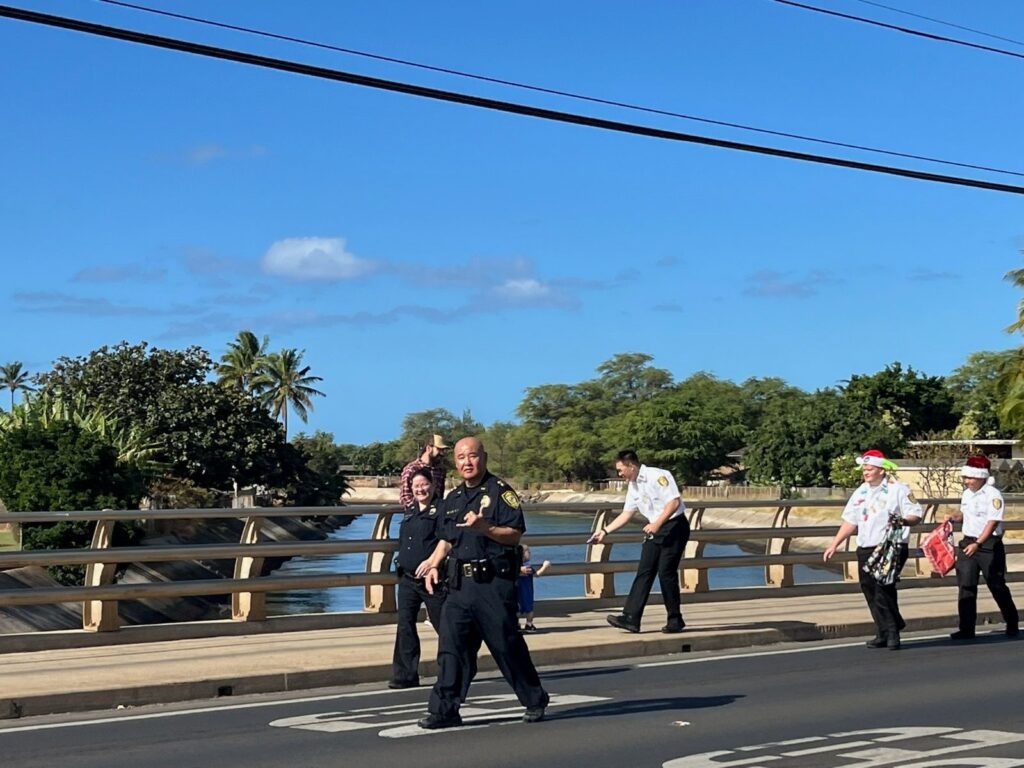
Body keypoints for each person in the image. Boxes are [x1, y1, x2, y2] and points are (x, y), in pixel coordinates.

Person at [415, 437, 549, 729]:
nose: (466, 462)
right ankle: (444, 710)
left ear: (483, 458)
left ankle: (534, 699)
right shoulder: (453, 498)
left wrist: (484, 527)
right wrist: (434, 564)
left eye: (472, 456)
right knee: (451, 649)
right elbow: (447, 538)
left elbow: (514, 534)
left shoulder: (500, 493)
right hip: (459, 586)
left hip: (492, 584)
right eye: (461, 457)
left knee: (506, 645)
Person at [823, 449, 922, 650]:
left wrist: (902, 521)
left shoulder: (898, 489)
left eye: (869, 469)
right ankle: (883, 630)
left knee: (883, 588)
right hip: (866, 546)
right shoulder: (861, 491)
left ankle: (893, 632)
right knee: (869, 588)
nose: (865, 473)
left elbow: (916, 514)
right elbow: (850, 520)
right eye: (864, 469)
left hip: (890, 546)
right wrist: (835, 543)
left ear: (881, 470)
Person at [591, 450, 689, 634]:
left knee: (666, 573)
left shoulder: (658, 476)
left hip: (673, 526)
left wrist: (657, 523)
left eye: (621, 470)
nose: (619, 474)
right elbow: (627, 513)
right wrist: (605, 531)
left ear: (631, 466)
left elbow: (674, 502)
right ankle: (631, 618)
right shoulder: (633, 486)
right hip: (655, 528)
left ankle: (675, 619)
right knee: (644, 571)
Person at [945, 454, 1019, 640]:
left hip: (987, 544)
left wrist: (978, 543)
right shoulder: (967, 493)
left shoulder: (993, 495)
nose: (967, 481)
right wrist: (955, 517)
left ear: (981, 477)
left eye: (970, 478)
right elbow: (966, 515)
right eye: (966, 477)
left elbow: (992, 522)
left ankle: (1012, 621)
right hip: (968, 541)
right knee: (966, 585)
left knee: (996, 585)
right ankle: (966, 628)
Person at [389, 468, 446, 689]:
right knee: (405, 625)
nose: (420, 489)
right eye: (416, 486)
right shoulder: (409, 510)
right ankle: (405, 674)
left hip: (432, 578)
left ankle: (451, 669)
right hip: (407, 578)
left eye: (424, 485)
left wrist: (433, 562)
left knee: (444, 625)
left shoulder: (441, 510)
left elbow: (447, 540)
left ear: (433, 485)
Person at [399, 434, 448, 509]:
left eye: (443, 450)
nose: (442, 453)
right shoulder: (411, 469)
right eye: (439, 449)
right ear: (428, 448)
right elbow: (405, 497)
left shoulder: (440, 470)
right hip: (416, 516)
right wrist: (418, 511)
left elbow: (440, 495)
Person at [516, 543, 551, 633]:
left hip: (516, 591)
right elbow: (537, 574)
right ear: (523, 555)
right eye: (528, 552)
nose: (530, 553)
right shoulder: (528, 567)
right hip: (527, 591)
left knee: (516, 609)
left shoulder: (516, 567)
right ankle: (529, 624)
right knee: (529, 609)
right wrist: (545, 566)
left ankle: (516, 624)